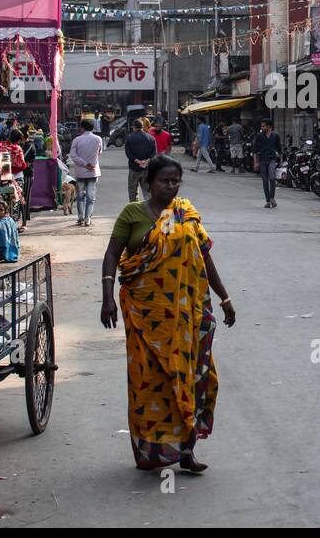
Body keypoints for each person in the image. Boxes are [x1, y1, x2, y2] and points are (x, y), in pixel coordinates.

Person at [100, 156, 235, 472]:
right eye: (165, 181)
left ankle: (186, 451)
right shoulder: (132, 214)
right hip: (143, 316)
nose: (172, 186)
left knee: (189, 377)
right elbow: (111, 254)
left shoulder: (185, 214)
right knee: (148, 383)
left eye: (176, 181)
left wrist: (225, 298)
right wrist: (107, 298)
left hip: (185, 317)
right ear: (149, 182)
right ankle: (148, 451)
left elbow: (204, 258)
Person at [68, 118, 104, 226]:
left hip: (80, 172)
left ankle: (80, 217)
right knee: (90, 196)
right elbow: (99, 152)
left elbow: (73, 155)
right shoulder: (98, 139)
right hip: (93, 171)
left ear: (82, 128)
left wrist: (84, 164)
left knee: (80, 195)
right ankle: (88, 218)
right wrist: (90, 164)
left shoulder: (76, 140)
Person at [124, 119, 157, 203]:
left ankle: (134, 210)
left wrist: (138, 161)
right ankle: (150, 211)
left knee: (133, 192)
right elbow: (154, 153)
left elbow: (128, 153)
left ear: (133, 127)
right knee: (148, 192)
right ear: (143, 127)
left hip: (134, 168)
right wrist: (146, 161)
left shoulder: (130, 138)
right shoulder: (151, 138)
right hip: (147, 168)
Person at [252, 119, 282, 207]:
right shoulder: (259, 136)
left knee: (272, 177)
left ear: (269, 126)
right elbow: (255, 151)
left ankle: (272, 197)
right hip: (262, 160)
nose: (262, 128)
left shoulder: (275, 136)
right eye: (261, 126)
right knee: (265, 180)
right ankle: (268, 201)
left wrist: (280, 161)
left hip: (272, 159)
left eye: (263, 126)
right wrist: (255, 162)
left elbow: (279, 150)